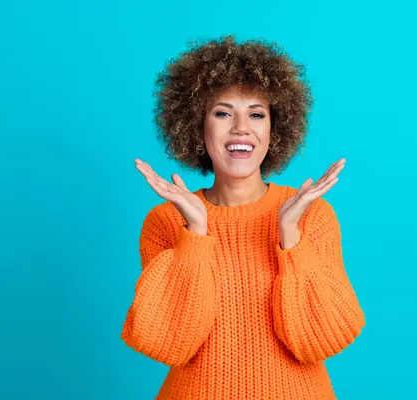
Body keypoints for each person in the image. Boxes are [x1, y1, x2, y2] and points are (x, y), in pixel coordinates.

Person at [121, 34, 366, 399]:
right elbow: (169, 343)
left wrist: (290, 235)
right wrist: (196, 235)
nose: (241, 127)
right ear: (196, 126)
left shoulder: (312, 216)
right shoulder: (166, 221)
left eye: (256, 113)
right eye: (222, 113)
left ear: (275, 129)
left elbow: (322, 338)